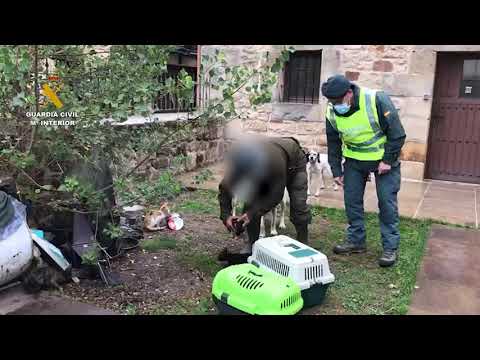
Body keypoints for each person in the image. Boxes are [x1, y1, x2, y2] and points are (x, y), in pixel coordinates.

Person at [321, 75, 406, 267]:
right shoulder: (332, 110)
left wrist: (388, 160)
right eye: (331, 102)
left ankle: (390, 247)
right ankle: (356, 241)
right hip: (354, 160)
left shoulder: (376, 99)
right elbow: (333, 142)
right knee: (352, 201)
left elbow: (397, 134)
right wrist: (336, 171)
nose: (335, 105)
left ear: (349, 93)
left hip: (382, 160)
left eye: (338, 101)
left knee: (386, 202)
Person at [218, 136, 311, 252]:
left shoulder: (275, 163)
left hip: (294, 162)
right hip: (271, 154)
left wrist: (252, 214)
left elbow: (276, 195)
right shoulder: (241, 163)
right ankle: (252, 244)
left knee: (298, 203)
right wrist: (226, 216)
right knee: (250, 202)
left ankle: (303, 240)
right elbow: (225, 189)